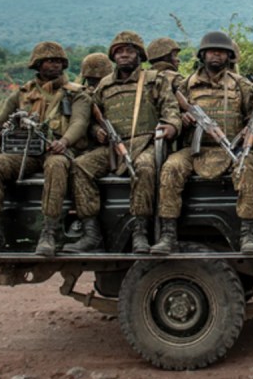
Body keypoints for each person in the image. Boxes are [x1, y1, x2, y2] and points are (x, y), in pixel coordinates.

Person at [0, 41, 91, 258]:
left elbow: (79, 123)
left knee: (56, 165)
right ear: (38, 64)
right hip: (24, 153)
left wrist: (64, 142)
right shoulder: (22, 95)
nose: (54, 65)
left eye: (58, 61)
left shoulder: (75, 94)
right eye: (48, 61)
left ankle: (49, 232)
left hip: (58, 152)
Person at [67, 31, 181, 254]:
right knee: (80, 166)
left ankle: (140, 232)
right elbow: (90, 118)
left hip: (146, 143)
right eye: (119, 52)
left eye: (129, 51)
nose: (124, 55)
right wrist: (97, 130)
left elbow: (171, 110)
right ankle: (91, 232)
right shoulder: (105, 86)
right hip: (113, 147)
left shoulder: (154, 81)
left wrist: (171, 126)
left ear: (139, 54)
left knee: (145, 169)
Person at [152, 31, 253, 254]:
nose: (216, 56)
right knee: (171, 167)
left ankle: (247, 233)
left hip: (231, 147)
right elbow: (171, 114)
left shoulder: (241, 85)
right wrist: (184, 120)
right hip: (196, 149)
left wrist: (252, 129)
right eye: (212, 51)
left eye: (221, 52)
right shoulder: (186, 86)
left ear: (229, 56)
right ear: (203, 55)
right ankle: (168, 234)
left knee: (247, 167)